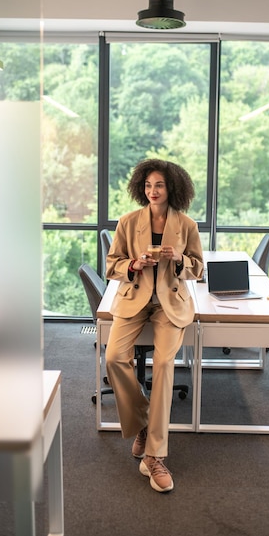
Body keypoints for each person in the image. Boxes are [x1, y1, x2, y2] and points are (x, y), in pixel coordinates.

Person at [105, 159, 203, 493]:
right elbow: (112, 265)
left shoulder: (186, 224)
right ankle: (143, 421)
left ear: (171, 187)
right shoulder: (128, 222)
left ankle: (154, 456)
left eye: (159, 185)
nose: (152, 191)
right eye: (148, 186)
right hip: (134, 297)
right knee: (114, 358)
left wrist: (179, 259)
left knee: (163, 363)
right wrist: (134, 263)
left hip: (170, 304)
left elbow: (198, 270)